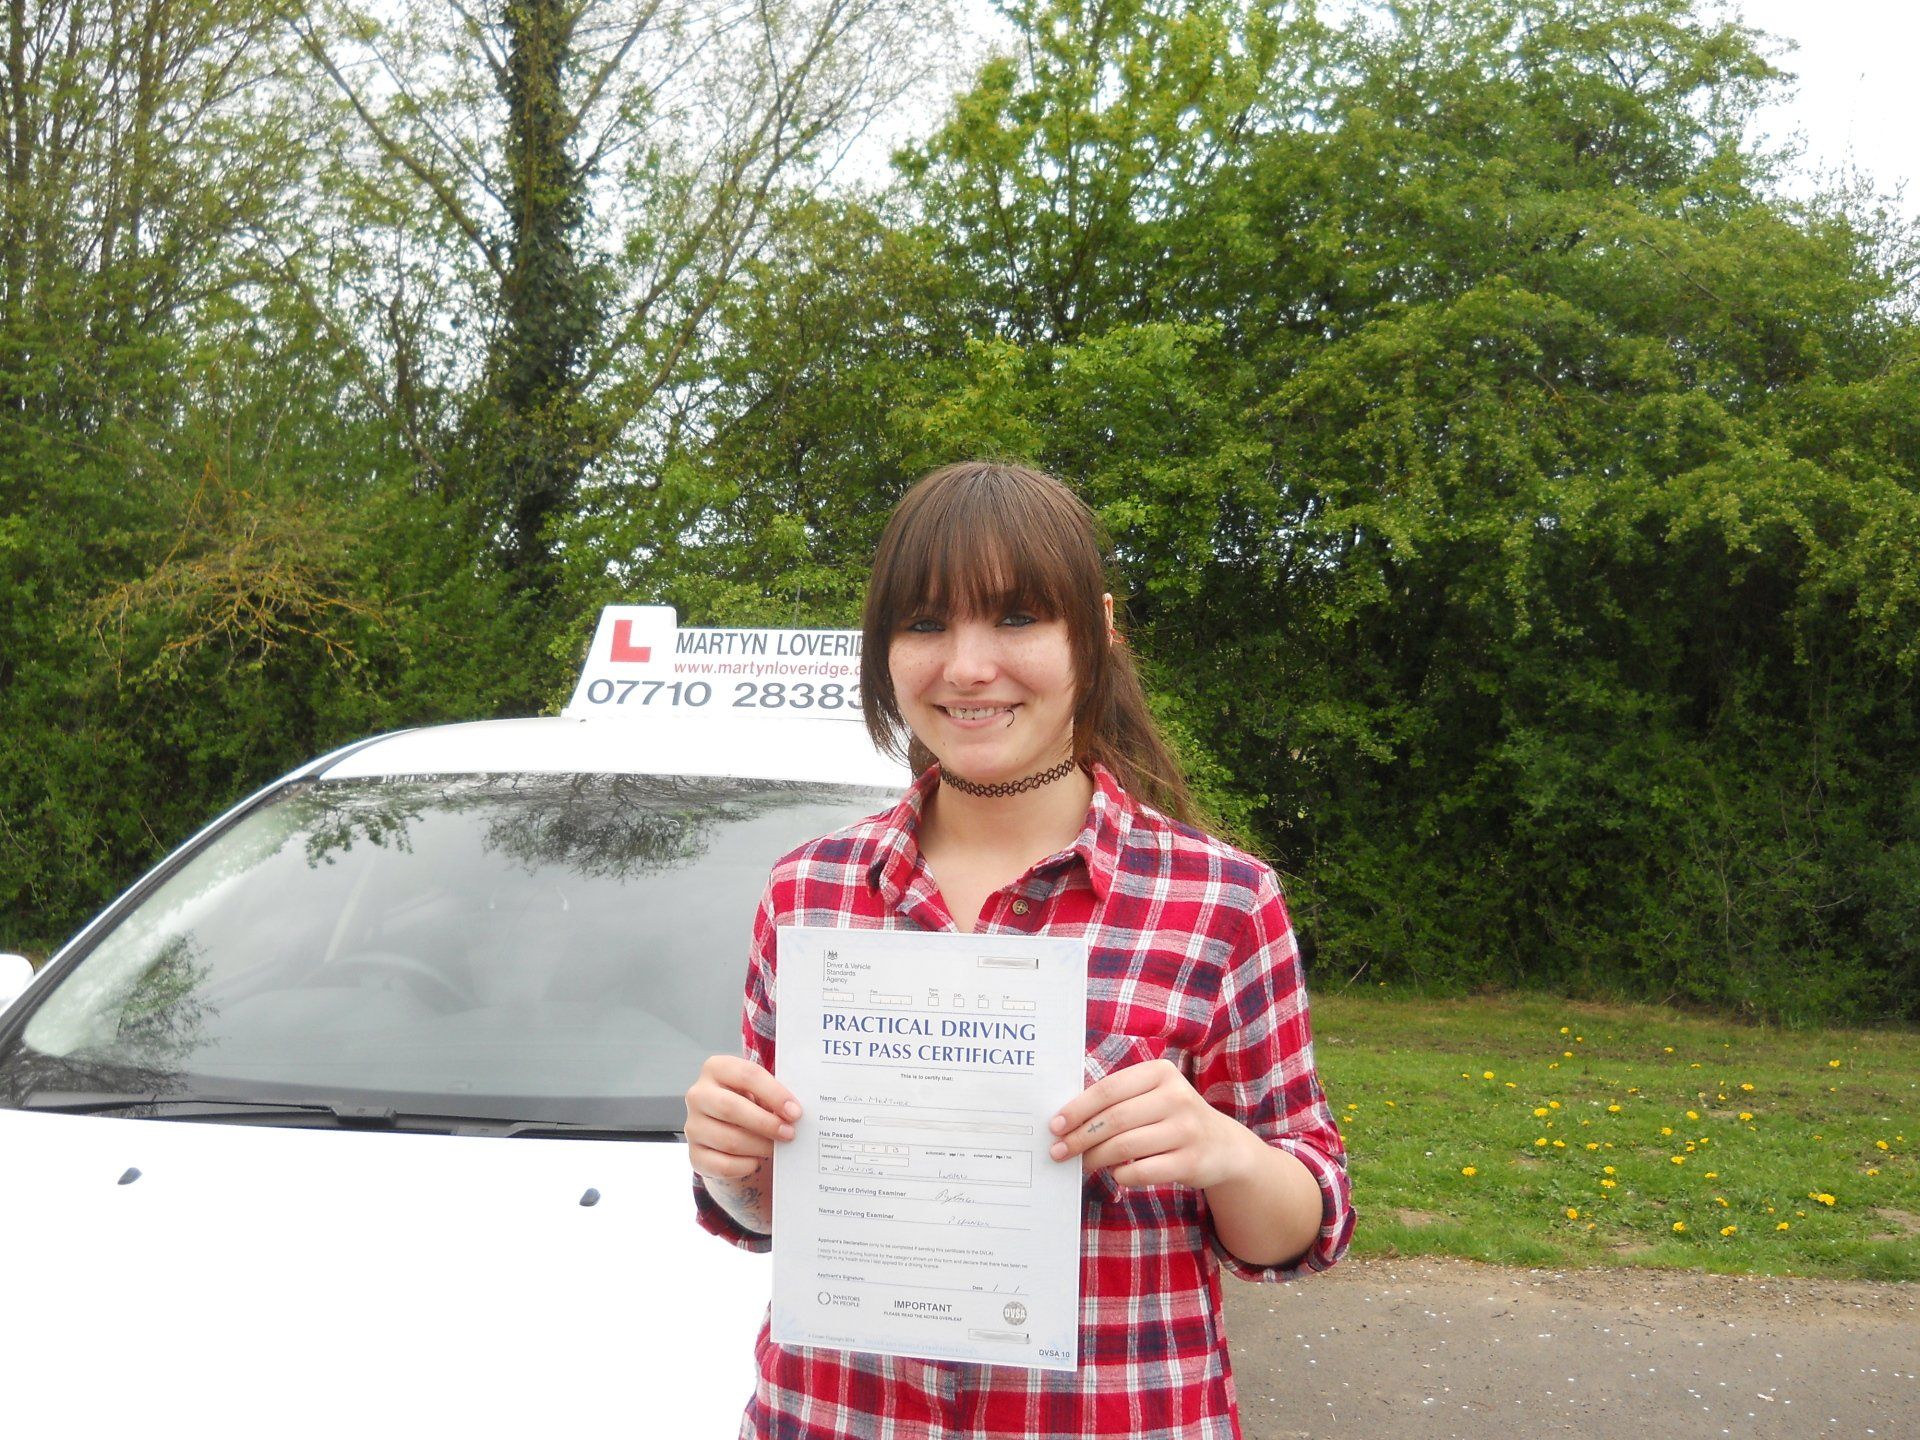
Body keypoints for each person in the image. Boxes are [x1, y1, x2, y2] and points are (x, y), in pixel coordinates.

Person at [684, 461, 1353, 1439]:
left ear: (1098, 630)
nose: (966, 666)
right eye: (925, 623)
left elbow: (1301, 1227)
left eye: (1016, 617)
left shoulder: (1221, 900)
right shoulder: (807, 891)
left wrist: (1225, 1153)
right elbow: (773, 1211)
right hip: (831, 1415)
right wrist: (730, 1165)